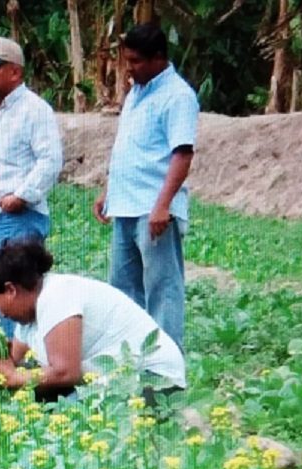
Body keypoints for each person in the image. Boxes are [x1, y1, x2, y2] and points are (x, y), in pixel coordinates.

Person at [93, 24, 199, 351]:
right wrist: (108, 190)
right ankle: (131, 358)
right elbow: (130, 146)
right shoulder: (136, 93)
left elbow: (181, 154)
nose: (129, 68)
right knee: (123, 289)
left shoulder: (178, 96)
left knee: (162, 288)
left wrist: (162, 205)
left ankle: (165, 363)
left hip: (152, 209)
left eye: (136, 61)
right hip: (125, 204)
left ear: (158, 58)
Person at [0, 241, 186, 399]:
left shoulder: (56, 297)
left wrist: (15, 377)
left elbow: (65, 373)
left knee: (71, 416)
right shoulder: (29, 315)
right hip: (117, 378)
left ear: (11, 290)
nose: (0, 314)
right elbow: (15, 360)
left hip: (154, 378)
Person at [0, 37, 63, 337]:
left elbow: (50, 160)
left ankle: (27, 360)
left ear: (15, 72)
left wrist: (21, 196)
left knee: (20, 296)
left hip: (18, 216)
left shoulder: (34, 109)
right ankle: (5, 356)